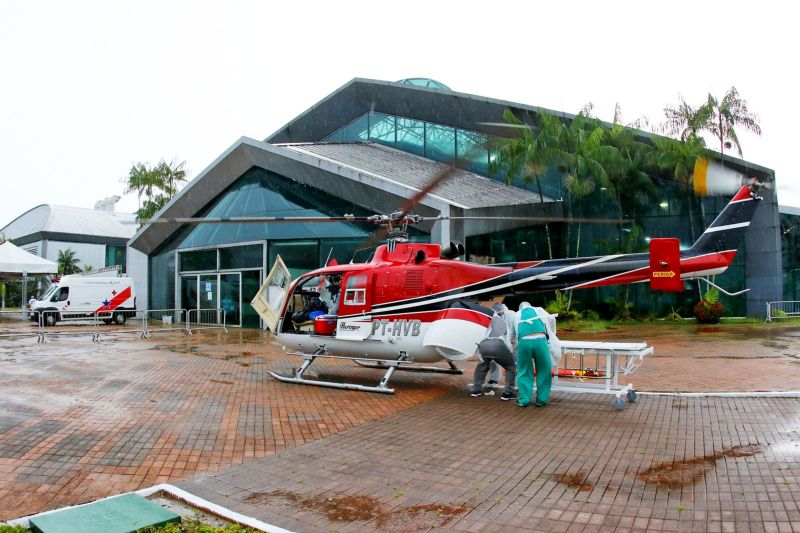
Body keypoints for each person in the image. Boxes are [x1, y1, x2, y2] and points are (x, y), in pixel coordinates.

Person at [468, 309, 517, 401]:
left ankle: (475, 390)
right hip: (498, 345)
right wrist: (511, 351)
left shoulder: (484, 320)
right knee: (510, 367)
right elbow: (508, 338)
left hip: (483, 346)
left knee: (481, 367)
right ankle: (508, 393)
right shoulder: (502, 322)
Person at [515, 301, 552, 407]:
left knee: (524, 371)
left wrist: (513, 347)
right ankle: (541, 400)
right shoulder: (539, 309)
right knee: (544, 370)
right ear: (530, 305)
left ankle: (524, 400)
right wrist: (552, 333)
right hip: (541, 340)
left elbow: (512, 334)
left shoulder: (517, 315)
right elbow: (551, 319)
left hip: (523, 342)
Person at [485, 303, 517, 387]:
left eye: (500, 313)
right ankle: (494, 379)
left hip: (513, 342)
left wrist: (512, 342)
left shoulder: (512, 315)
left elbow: (514, 330)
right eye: (498, 314)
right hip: (500, 341)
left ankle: (517, 381)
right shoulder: (493, 317)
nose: (499, 315)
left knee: (515, 361)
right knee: (493, 360)